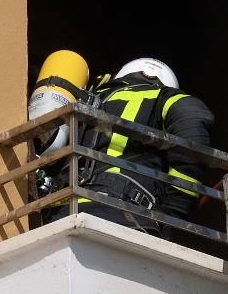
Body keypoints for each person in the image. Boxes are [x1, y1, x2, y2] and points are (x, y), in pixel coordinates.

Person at [42, 57, 213, 235]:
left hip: (60, 212)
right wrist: (173, 212)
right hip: (121, 213)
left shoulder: (85, 101)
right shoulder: (166, 97)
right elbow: (193, 132)